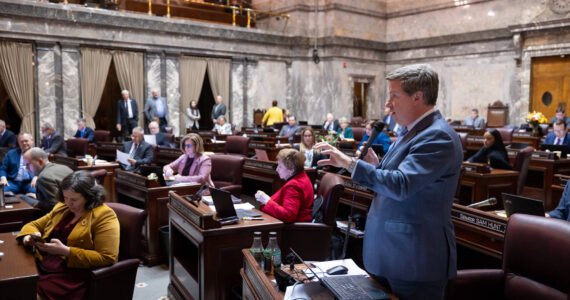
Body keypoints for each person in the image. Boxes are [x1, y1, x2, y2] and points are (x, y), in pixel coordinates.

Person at [315, 64, 462, 299]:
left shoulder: (437, 135)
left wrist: (350, 163)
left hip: (415, 261)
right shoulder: (410, 131)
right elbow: (398, 179)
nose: (387, 103)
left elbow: (402, 184)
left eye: (394, 96)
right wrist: (376, 166)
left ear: (418, 97)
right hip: (390, 254)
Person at [17, 171, 119, 300]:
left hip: (72, 273)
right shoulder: (62, 207)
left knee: (28, 290)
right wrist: (29, 236)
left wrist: (67, 251)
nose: (68, 203)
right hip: (46, 263)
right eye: (65, 197)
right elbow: (34, 225)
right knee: (18, 281)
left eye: (74, 199)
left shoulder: (104, 216)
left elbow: (107, 257)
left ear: (89, 196)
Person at [254, 148, 314, 223]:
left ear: (291, 170)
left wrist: (267, 201)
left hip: (291, 229)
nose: (277, 169)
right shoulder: (302, 176)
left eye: (280, 166)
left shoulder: (293, 186)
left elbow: (288, 215)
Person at [22, 147, 73, 212]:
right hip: (78, 208)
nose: (26, 168)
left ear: (40, 162)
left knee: (23, 198)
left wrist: (38, 204)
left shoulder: (43, 177)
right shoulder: (64, 167)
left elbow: (55, 206)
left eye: (28, 164)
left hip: (66, 214)